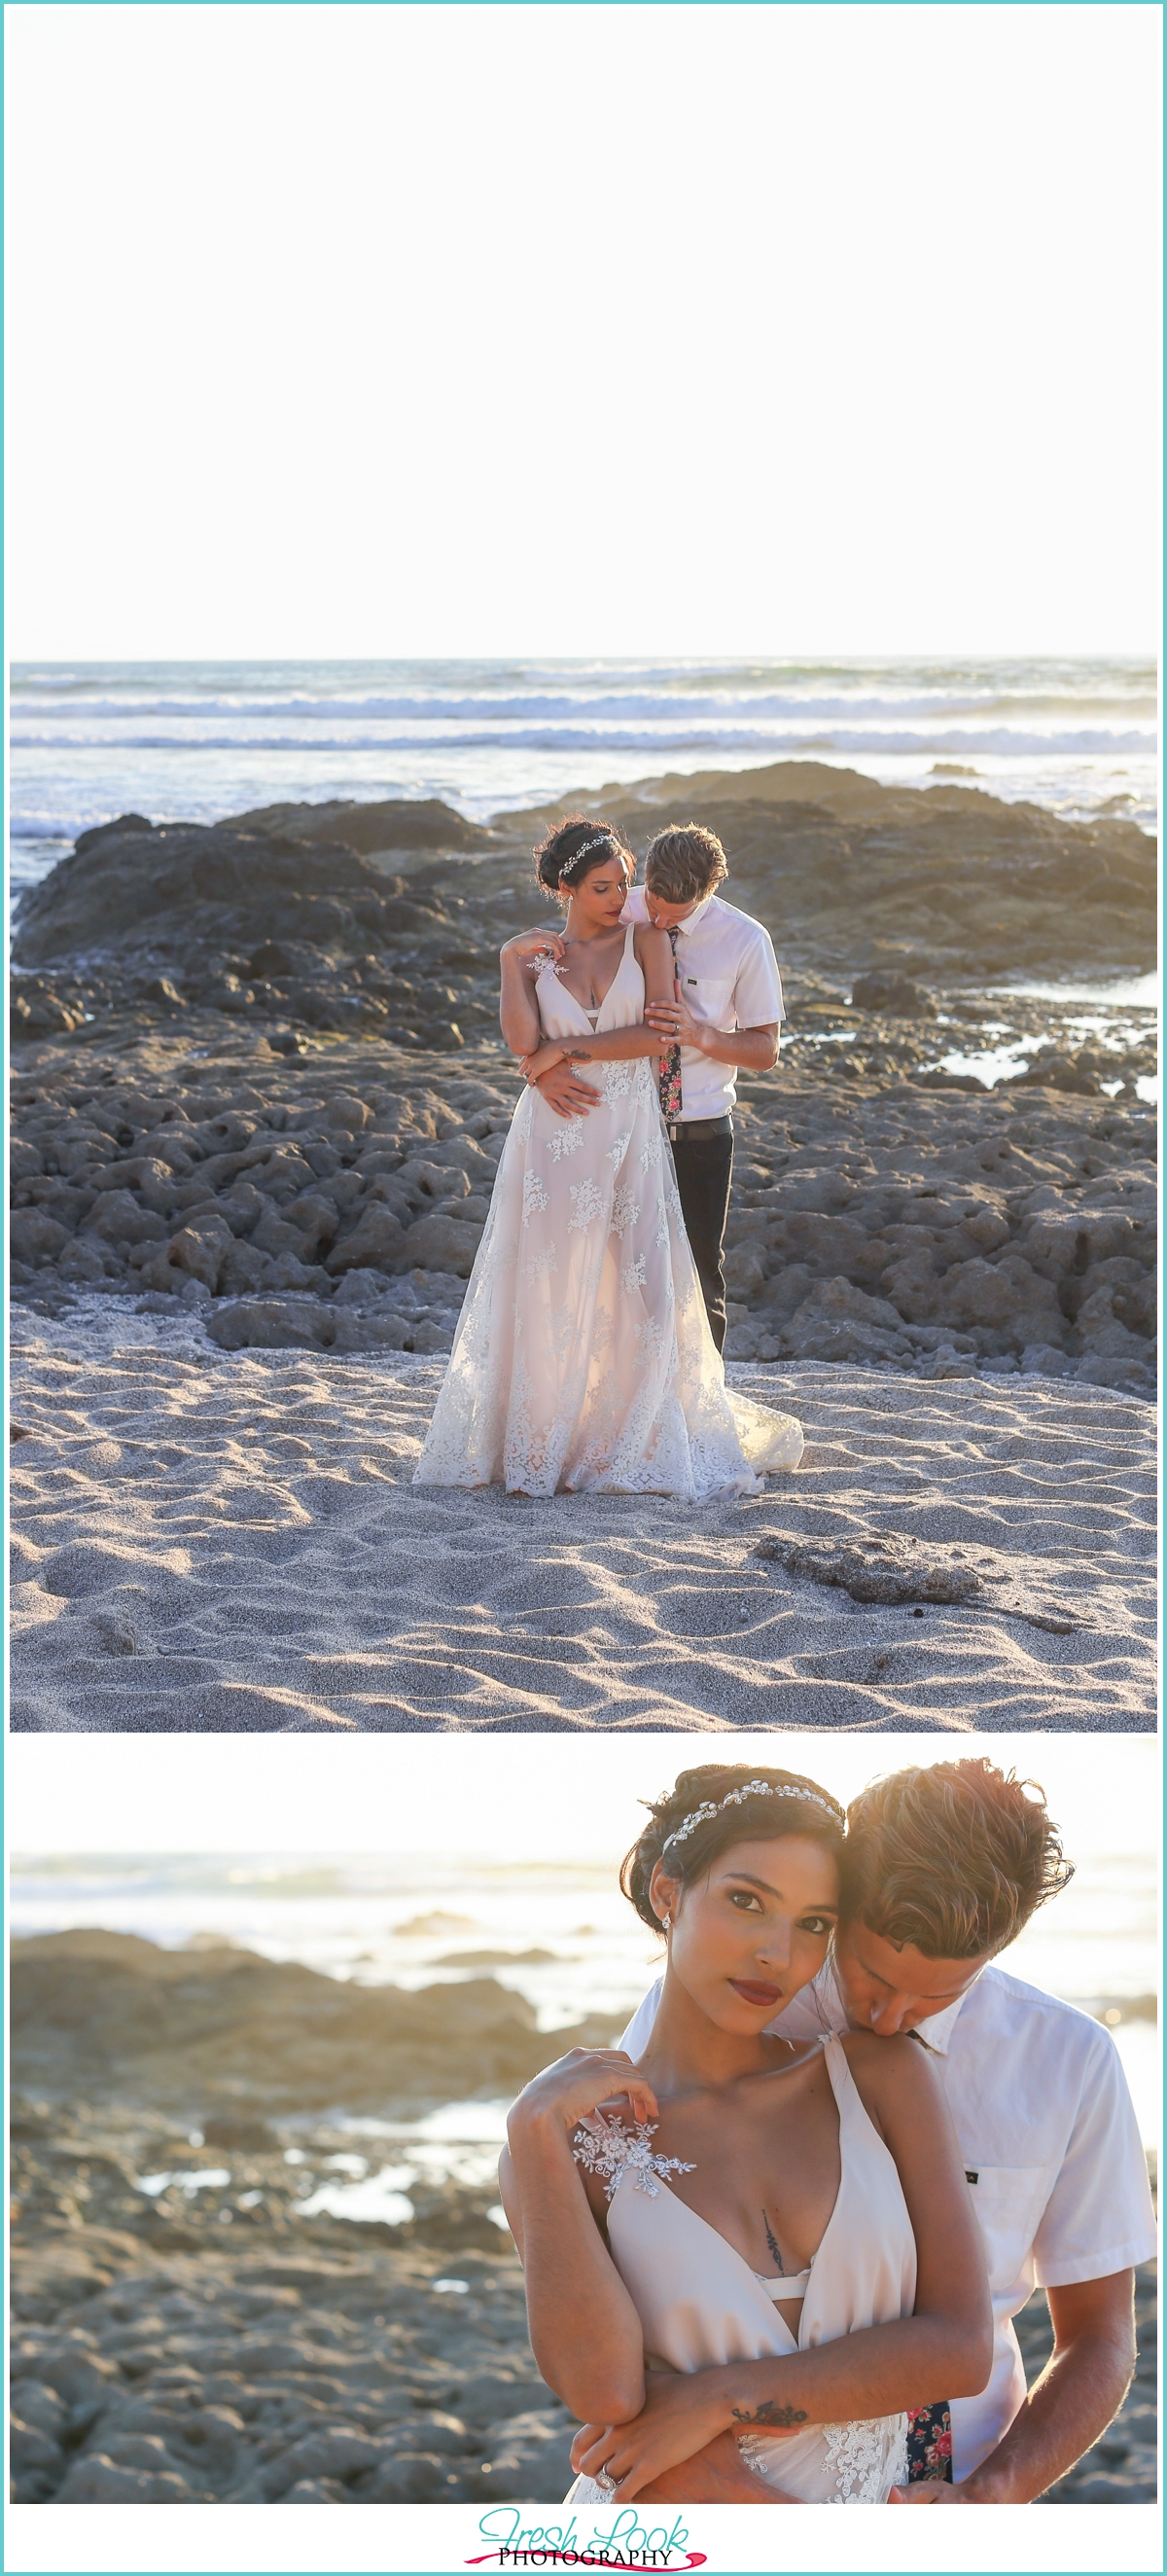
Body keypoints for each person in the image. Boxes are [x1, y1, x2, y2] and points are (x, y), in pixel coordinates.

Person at [603, 1757, 1156, 2504]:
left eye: (937, 1996)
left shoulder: (1069, 2060)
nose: (892, 2019)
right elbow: (638, 2259)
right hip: (724, 2476)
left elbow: (1099, 2338)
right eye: (871, 1975)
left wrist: (990, 2497)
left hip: (951, 2482)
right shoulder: (731, 2007)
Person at [500, 1764, 993, 2507]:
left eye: (814, 1924)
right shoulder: (567, 2140)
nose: (778, 1954)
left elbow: (959, 2349)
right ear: (668, 1892)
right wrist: (531, 2131)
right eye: (746, 1901)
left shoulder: (878, 2077)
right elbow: (603, 2392)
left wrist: (716, 2399)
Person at [413, 817, 801, 1498]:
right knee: (556, 1283)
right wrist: (537, 1056)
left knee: (682, 1287)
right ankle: (555, 1427)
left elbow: (736, 1045)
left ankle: (676, 1422)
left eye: (656, 902)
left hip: (688, 1125)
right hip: (571, 1134)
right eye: (632, 891)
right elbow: (526, 1040)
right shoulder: (609, 907)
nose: (641, 905)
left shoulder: (733, 939)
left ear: (703, 897)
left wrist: (576, 1050)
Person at [535, 821, 782, 1352]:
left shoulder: (746, 941)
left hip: (696, 1130)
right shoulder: (621, 906)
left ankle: (701, 1412)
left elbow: (765, 1051)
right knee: (611, 1276)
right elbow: (559, 994)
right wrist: (544, 1066)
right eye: (655, 903)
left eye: (678, 912)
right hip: (618, 1122)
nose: (660, 919)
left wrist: (701, 1035)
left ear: (711, 889)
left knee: (696, 1275)